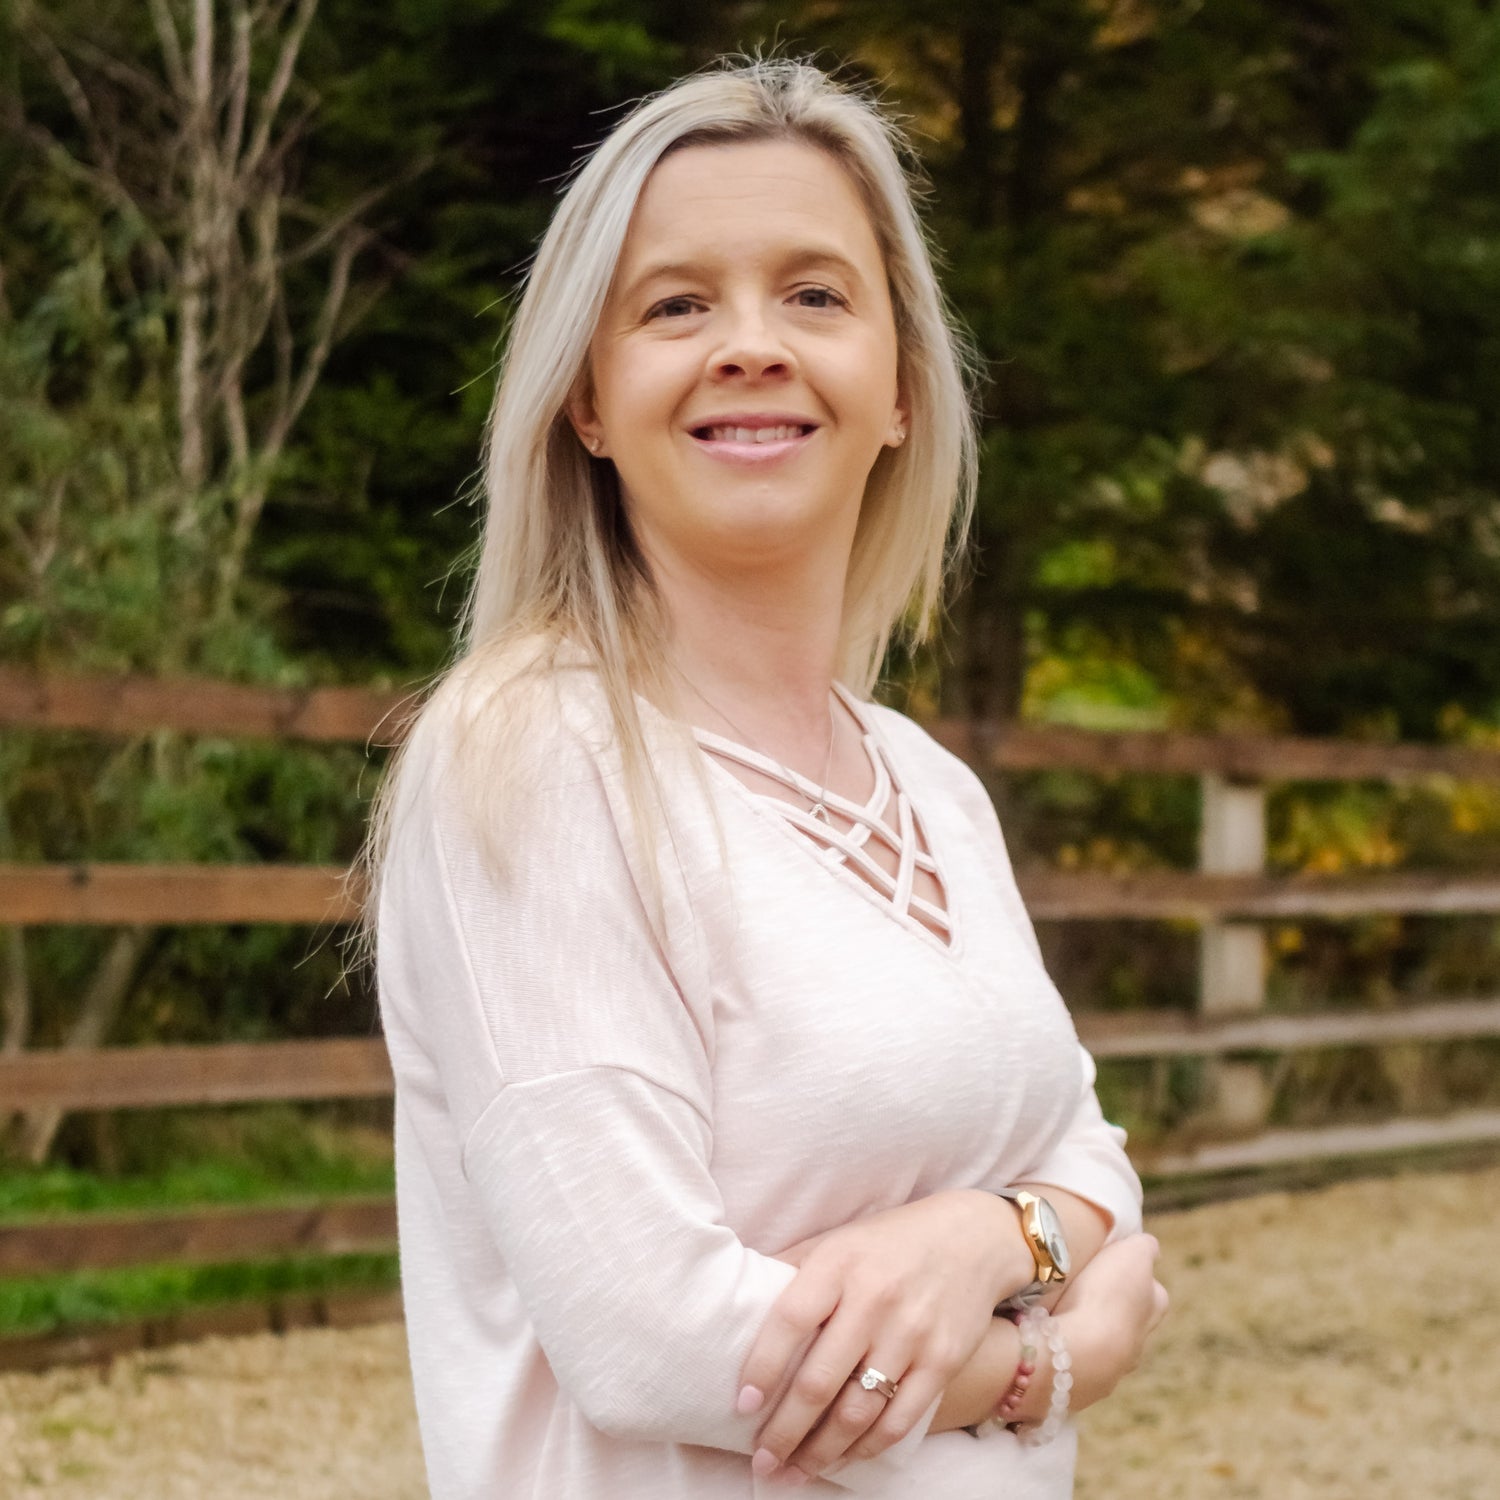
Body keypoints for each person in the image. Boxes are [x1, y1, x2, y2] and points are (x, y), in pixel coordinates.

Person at [370, 55, 1168, 1500]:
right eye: (677, 304)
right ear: (591, 402)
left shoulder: (930, 787)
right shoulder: (532, 761)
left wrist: (985, 1242)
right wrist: (1055, 1359)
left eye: (815, 294)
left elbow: (1093, 1153)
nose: (752, 343)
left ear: (902, 392)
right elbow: (654, 1337)